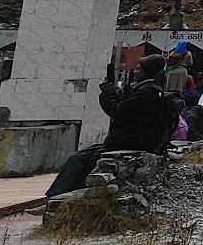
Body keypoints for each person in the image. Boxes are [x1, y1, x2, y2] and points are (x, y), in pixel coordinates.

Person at [45, 53, 184, 198]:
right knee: (80, 158)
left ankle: (58, 196)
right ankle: (57, 195)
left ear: (147, 71)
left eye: (138, 69)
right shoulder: (151, 91)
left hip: (127, 142)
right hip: (135, 141)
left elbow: (117, 111)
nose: (135, 72)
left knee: (80, 160)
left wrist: (107, 93)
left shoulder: (145, 93)